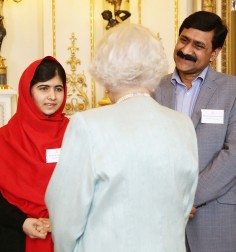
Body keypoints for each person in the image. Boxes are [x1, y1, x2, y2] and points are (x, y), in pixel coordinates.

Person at [45, 23, 198, 252]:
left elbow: (66, 214)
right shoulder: (183, 125)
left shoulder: (88, 125)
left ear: (105, 72)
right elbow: (184, 205)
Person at [154, 11, 236, 252]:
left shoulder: (232, 91)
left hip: (215, 217)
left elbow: (233, 156)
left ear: (214, 53)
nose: (186, 50)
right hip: (161, 217)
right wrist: (170, 198)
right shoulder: (152, 89)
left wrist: (187, 197)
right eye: (184, 40)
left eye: (198, 45)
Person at [0, 56, 69, 252]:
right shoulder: (4, 139)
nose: (52, 97)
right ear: (28, 91)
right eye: (43, 88)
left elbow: (88, 189)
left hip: (66, 238)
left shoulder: (76, 134)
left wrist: (62, 221)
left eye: (58, 88)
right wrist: (22, 222)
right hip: (14, 237)